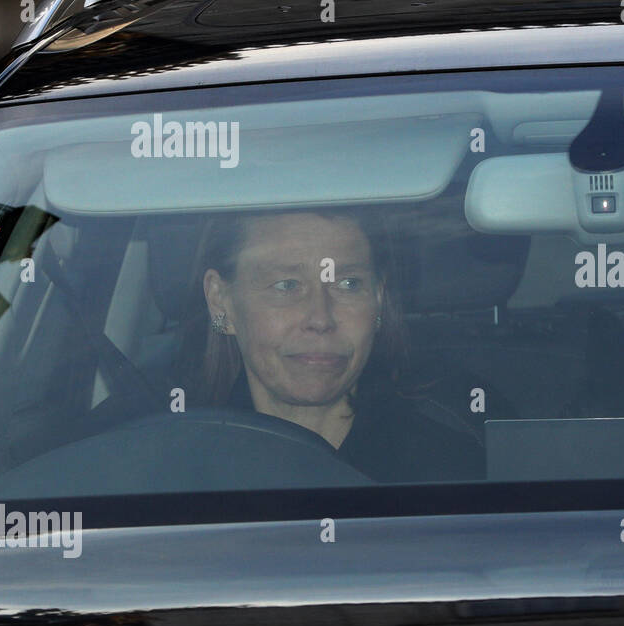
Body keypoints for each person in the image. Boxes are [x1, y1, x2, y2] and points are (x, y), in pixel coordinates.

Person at [187, 206, 484, 483]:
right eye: (287, 285)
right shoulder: (177, 467)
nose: (321, 319)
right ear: (220, 300)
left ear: (379, 300)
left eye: (349, 284)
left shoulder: (449, 469)